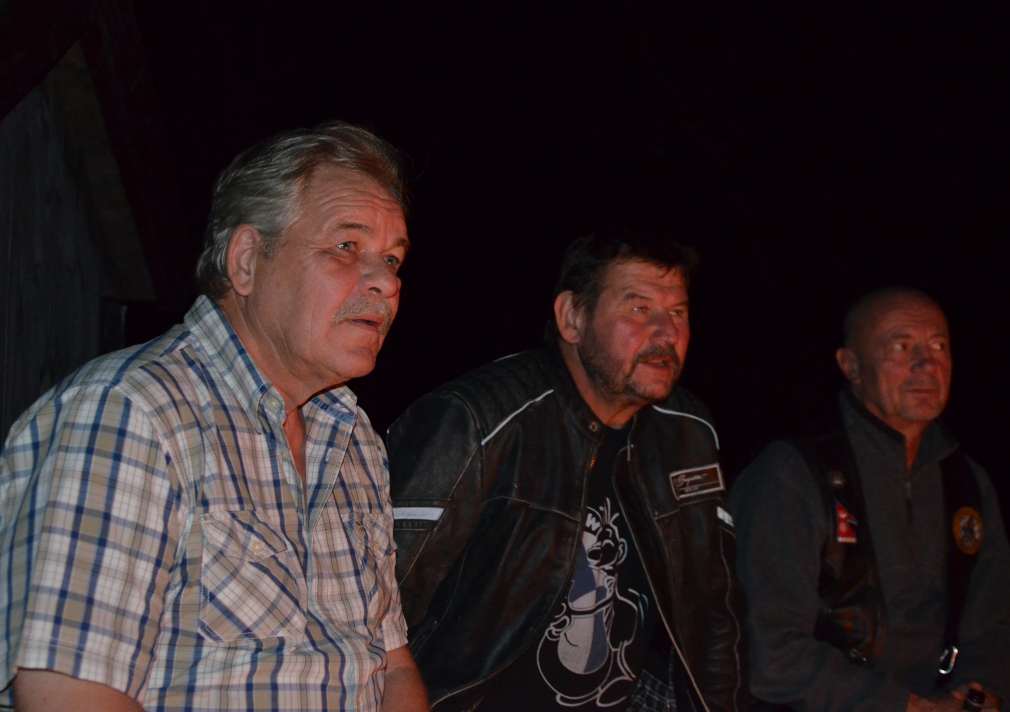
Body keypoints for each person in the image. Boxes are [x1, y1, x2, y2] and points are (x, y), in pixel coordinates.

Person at [0, 122, 429, 712]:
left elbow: (393, 667)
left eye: (392, 259)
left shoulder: (353, 439)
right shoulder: (131, 413)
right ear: (247, 261)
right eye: (346, 247)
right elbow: (68, 694)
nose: (384, 282)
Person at [387, 231, 747, 712]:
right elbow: (374, 607)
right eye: (639, 308)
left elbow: (714, 611)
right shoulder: (478, 420)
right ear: (572, 318)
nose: (666, 333)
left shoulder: (687, 431)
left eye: (678, 312)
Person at [729, 287, 1010, 712]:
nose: (927, 364)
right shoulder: (793, 473)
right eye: (901, 347)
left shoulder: (965, 482)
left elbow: (999, 623)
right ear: (851, 366)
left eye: (939, 346)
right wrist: (903, 705)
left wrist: (980, 695)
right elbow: (767, 649)